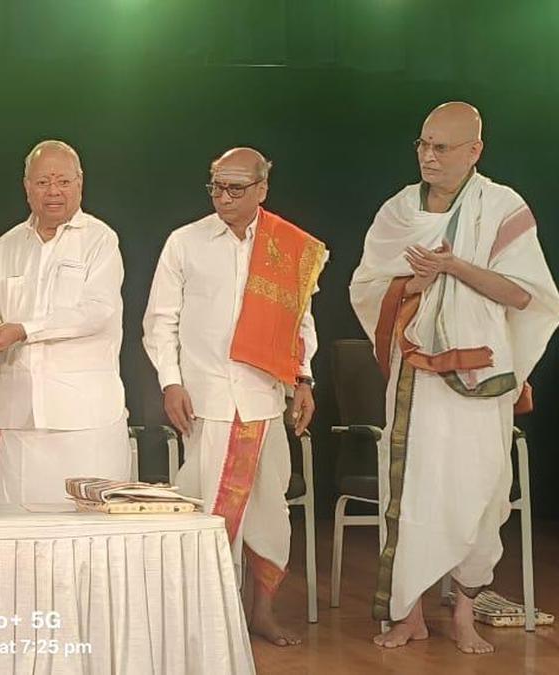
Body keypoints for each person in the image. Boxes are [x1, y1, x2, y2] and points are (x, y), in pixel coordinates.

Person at [351, 101, 559, 654]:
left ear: (474, 150)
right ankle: (410, 615)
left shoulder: (502, 207)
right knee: (412, 492)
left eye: (441, 147)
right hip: (417, 379)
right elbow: (367, 289)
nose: (428, 156)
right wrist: (412, 285)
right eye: (423, 144)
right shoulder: (399, 211)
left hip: (481, 378)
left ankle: (464, 615)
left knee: (479, 493)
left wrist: (454, 266)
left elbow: (526, 295)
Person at [143, 147, 326, 647]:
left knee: (270, 512)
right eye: (216, 187)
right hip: (207, 401)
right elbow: (160, 321)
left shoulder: (286, 246)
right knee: (205, 508)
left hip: (263, 399)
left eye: (236, 188)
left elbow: (299, 321)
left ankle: (260, 612)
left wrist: (304, 380)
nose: (223, 197)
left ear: (262, 189)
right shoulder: (185, 242)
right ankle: (202, 620)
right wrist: (170, 382)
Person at [0, 139, 129, 502]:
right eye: (42, 182)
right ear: (27, 187)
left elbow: (97, 311)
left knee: (88, 528)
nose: (53, 191)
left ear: (80, 183)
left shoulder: (100, 239)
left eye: (63, 181)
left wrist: (23, 330)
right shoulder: (7, 244)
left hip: (84, 417)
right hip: (19, 414)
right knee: (16, 526)